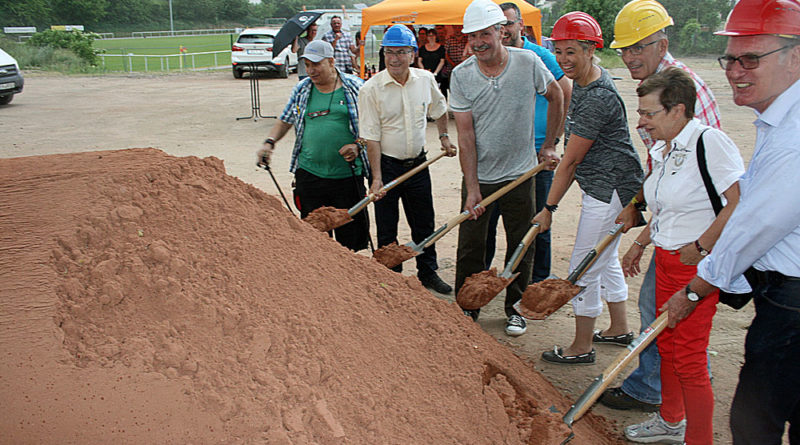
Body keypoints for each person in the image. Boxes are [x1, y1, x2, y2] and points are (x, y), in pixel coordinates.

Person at [663, 0, 800, 442]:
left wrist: (697, 285)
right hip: (781, 293)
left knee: (754, 418)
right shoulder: (777, 121)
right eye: (731, 59)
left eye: (751, 59)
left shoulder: (794, 137)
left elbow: (756, 225)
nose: (735, 71)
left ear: (795, 56)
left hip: (792, 301)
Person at [600, 0, 722, 413]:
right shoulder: (652, 91)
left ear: (662, 44)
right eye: (624, 50)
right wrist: (639, 204)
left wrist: (700, 243)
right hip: (669, 217)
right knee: (656, 306)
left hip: (692, 231)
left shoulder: (683, 91)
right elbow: (659, 164)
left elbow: (708, 174)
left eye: (638, 47)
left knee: (673, 314)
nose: (630, 57)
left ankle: (657, 393)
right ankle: (658, 391)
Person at [621, 68, 744, 445]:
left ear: (677, 110)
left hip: (696, 270)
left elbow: (739, 203)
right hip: (665, 261)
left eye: (648, 114)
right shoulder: (666, 149)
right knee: (668, 345)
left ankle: (699, 439)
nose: (641, 122)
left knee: (689, 358)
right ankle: (671, 421)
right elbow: (667, 209)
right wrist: (642, 242)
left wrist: (703, 246)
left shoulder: (710, 144)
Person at [533, 12, 643, 364]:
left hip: (610, 187)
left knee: (584, 264)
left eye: (572, 52)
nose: (564, 59)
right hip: (605, 181)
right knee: (606, 257)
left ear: (591, 50)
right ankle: (619, 328)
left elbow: (571, 162)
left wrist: (548, 209)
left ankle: (581, 347)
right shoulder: (585, 80)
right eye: (560, 51)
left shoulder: (597, 96)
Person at [450, 0, 563, 336]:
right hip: (481, 178)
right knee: (470, 246)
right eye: (472, 36)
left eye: (485, 33)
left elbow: (557, 94)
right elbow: (466, 137)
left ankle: (516, 307)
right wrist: (472, 188)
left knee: (520, 243)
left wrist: (550, 144)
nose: (479, 42)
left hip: (520, 175)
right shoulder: (461, 76)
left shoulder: (527, 63)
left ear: (501, 31)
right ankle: (467, 307)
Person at [358, 25, 457, 294]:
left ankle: (428, 272)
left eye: (401, 52)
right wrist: (377, 178)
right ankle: (390, 277)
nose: (395, 58)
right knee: (387, 226)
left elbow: (440, 109)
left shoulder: (425, 80)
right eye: (390, 52)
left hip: (418, 165)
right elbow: (371, 137)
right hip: (387, 167)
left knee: (424, 223)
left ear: (413, 54)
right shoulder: (371, 89)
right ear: (384, 54)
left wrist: (444, 137)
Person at [483, 2, 573, 282]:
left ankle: (537, 280)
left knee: (538, 220)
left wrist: (553, 139)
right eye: (500, 25)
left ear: (521, 25)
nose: (506, 30)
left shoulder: (540, 55)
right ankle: (483, 278)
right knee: (488, 221)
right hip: (500, 157)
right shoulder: (491, 59)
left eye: (510, 23)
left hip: (536, 155)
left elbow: (565, 91)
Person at [256, 40, 370, 251]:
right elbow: (285, 120)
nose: (311, 70)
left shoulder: (356, 87)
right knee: (314, 241)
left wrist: (358, 145)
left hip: (346, 177)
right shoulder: (302, 89)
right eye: (307, 64)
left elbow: (375, 126)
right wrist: (269, 142)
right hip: (310, 176)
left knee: (351, 242)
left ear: (331, 61)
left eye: (316, 64)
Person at [416, 27, 447, 98]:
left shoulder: (441, 48)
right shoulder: (422, 48)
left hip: (437, 74)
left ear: (436, 36)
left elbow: (442, 61)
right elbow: (419, 61)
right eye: (429, 35)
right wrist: (424, 70)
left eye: (433, 35)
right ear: (427, 37)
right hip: (425, 73)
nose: (431, 37)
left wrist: (435, 73)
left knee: (438, 92)